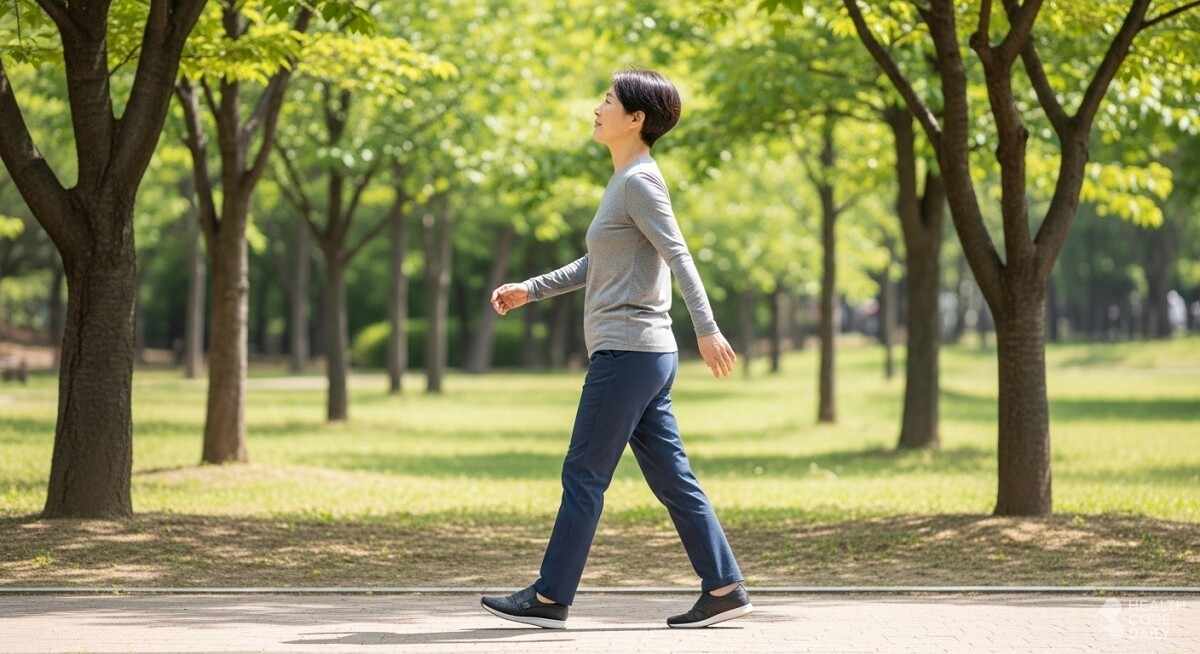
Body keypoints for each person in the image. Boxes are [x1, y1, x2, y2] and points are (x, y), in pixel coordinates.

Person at [480, 68, 751, 630]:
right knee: (673, 479)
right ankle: (723, 586)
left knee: (584, 473)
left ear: (636, 119)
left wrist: (708, 327)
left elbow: (680, 256)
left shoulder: (639, 182)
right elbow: (596, 265)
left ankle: (551, 597)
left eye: (608, 100)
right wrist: (530, 289)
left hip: (628, 353)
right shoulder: (625, 181)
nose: (597, 107)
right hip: (643, 356)